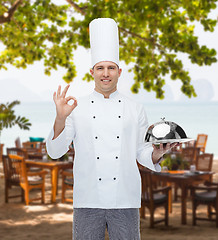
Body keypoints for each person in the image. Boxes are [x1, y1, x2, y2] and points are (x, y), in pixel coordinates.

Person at [46, 18, 175, 240]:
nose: (105, 73)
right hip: (87, 198)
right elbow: (55, 152)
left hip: (125, 198)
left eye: (111, 68)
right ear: (92, 72)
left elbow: (141, 152)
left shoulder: (136, 108)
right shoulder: (75, 108)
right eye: (100, 68)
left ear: (119, 71)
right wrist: (60, 117)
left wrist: (156, 153)